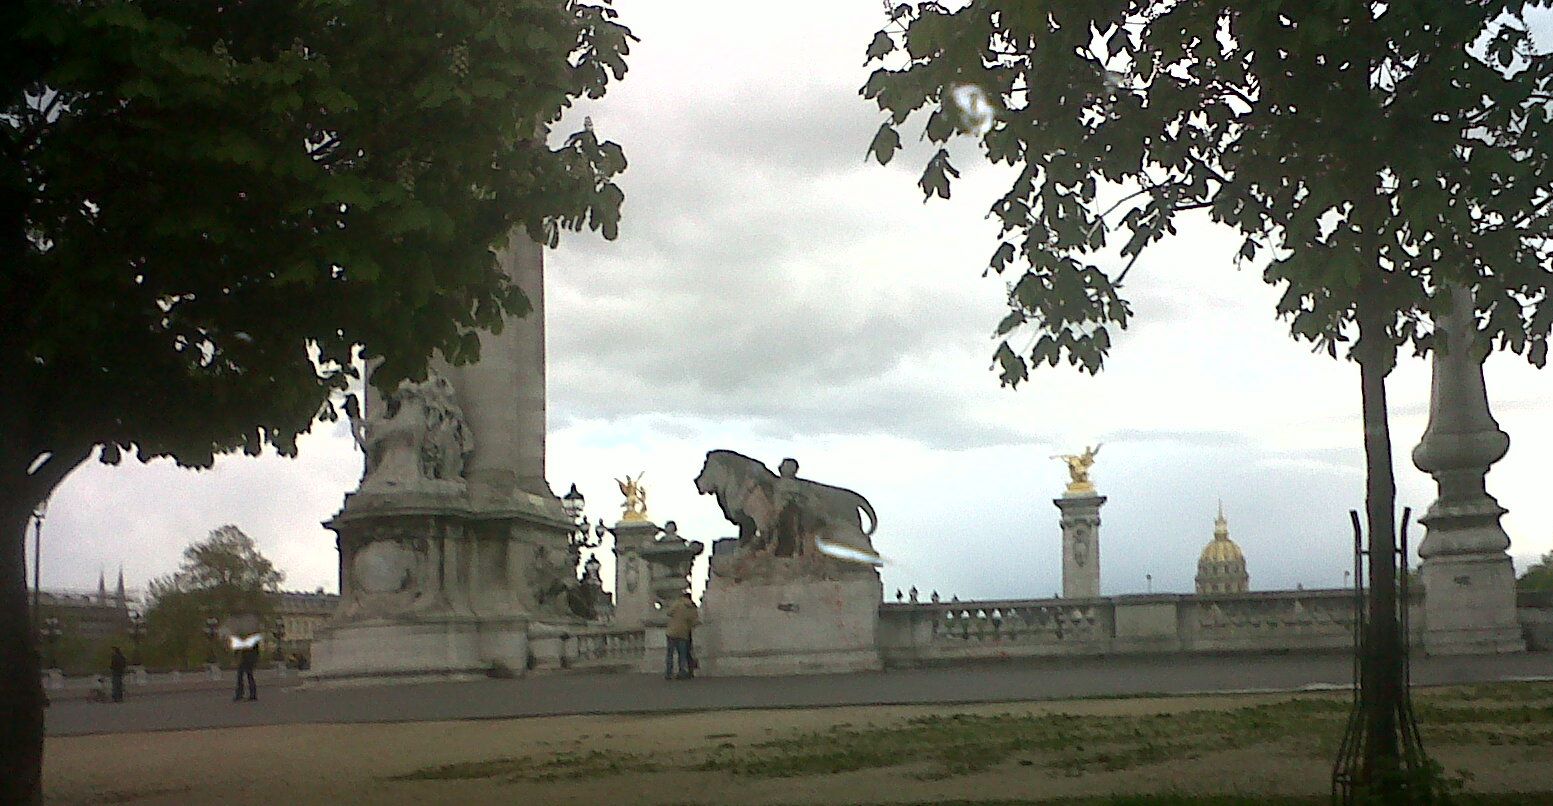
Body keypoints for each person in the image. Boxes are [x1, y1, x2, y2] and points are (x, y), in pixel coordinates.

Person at [665, 591, 700, 680]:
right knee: (682, 655)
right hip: (683, 633)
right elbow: (694, 621)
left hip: (672, 631)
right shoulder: (692, 607)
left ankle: (669, 673)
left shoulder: (678, 603)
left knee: (670, 654)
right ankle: (682, 672)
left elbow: (669, 613)